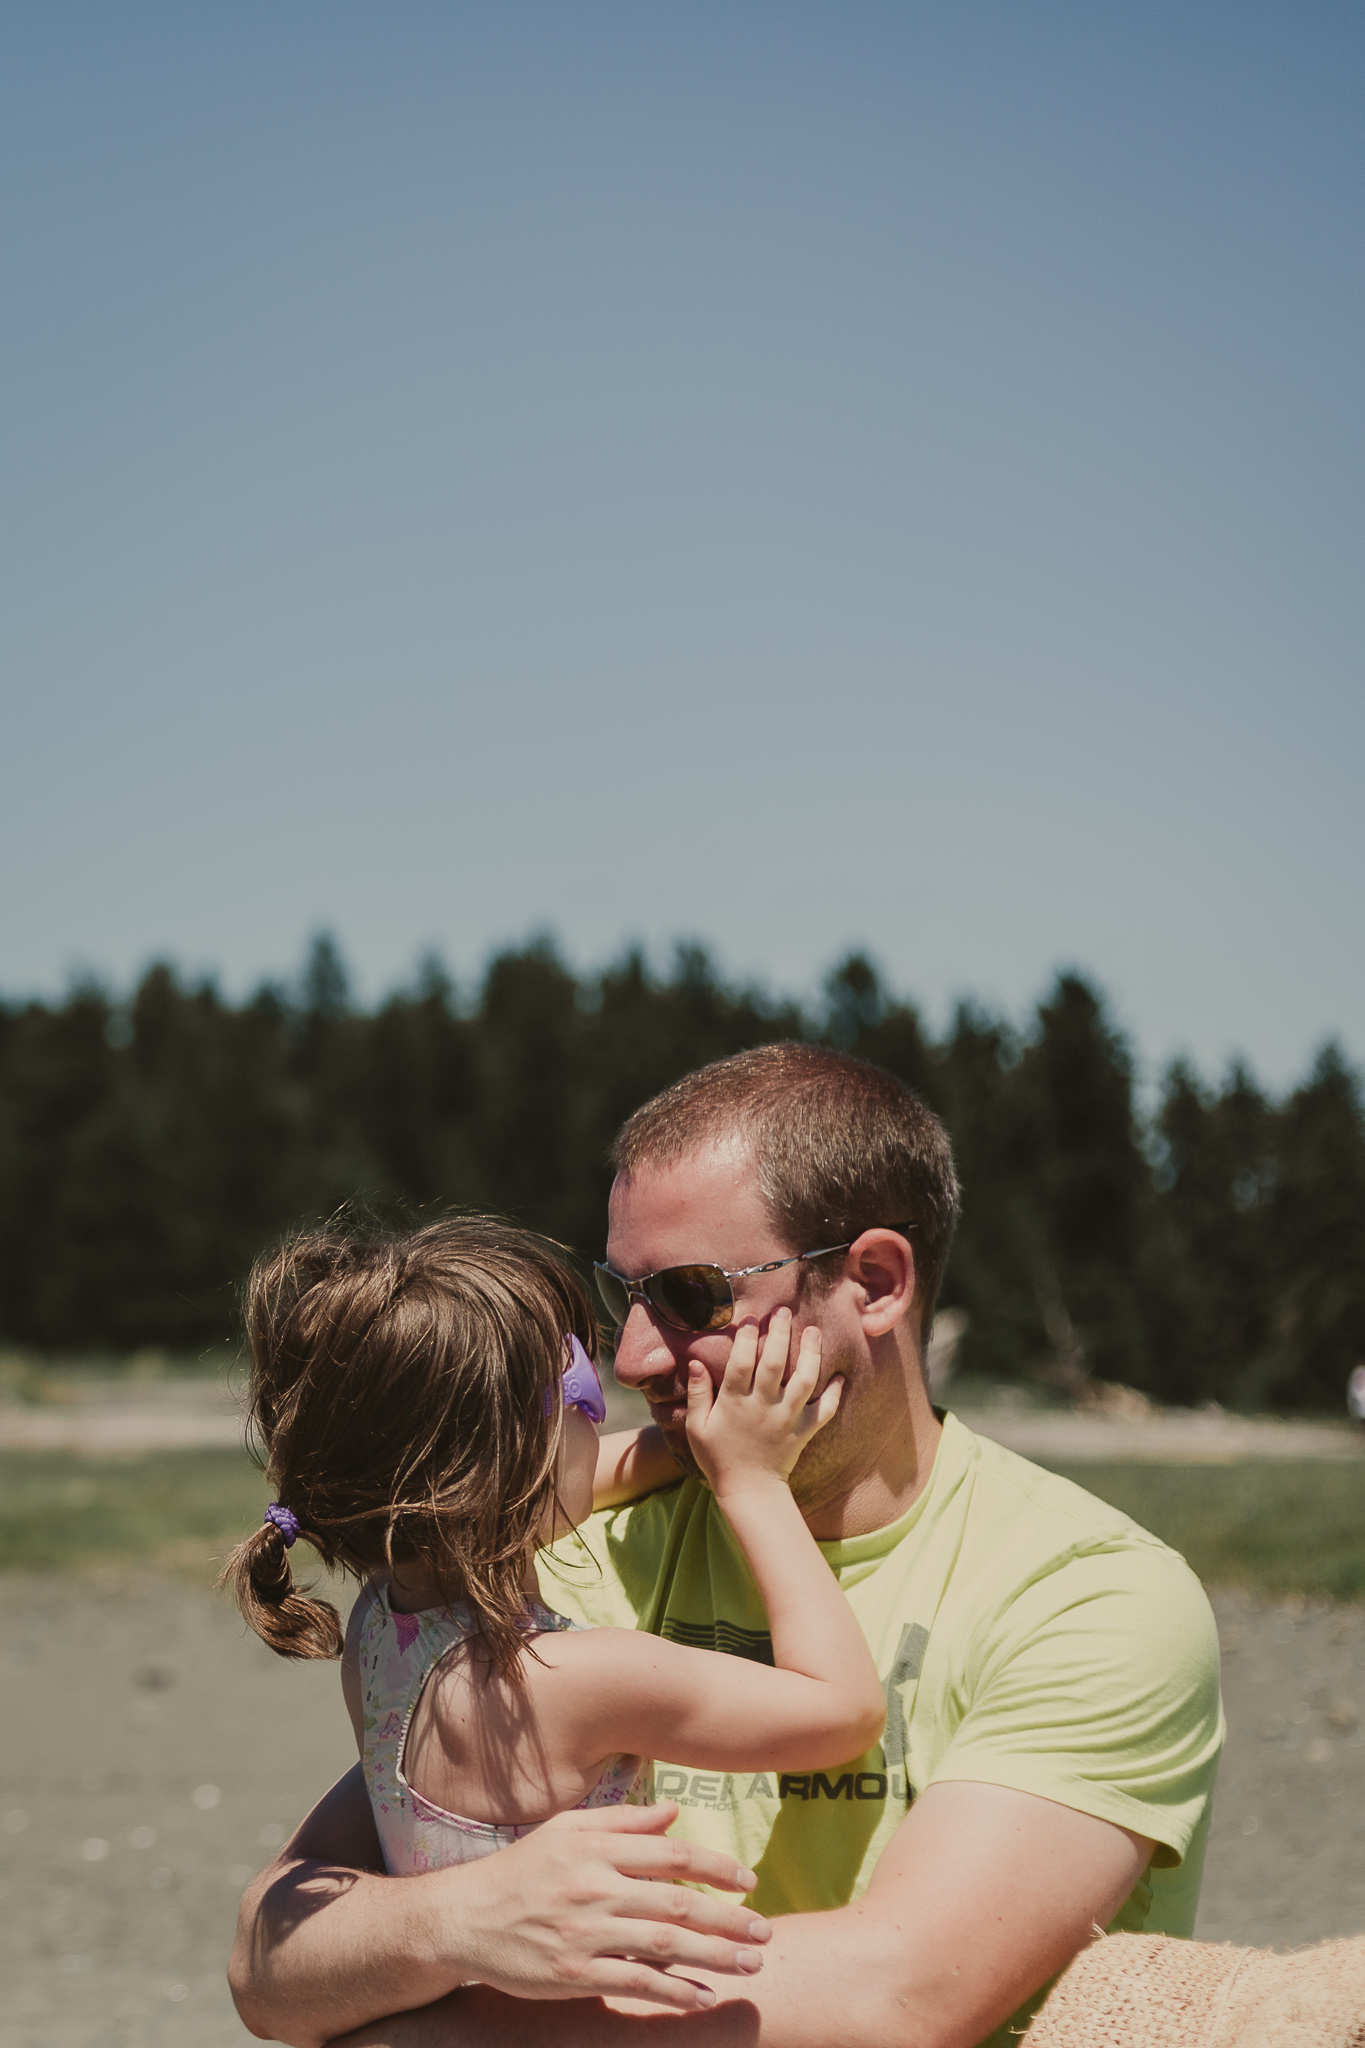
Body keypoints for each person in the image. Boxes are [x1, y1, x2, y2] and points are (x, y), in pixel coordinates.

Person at [230, 1044, 1224, 2048]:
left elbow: (898, 1993)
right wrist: (458, 1921)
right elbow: (271, 1963)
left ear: (873, 1280)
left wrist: (412, 2025)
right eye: (620, 1296)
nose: (632, 1355)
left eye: (692, 1294)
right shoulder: (545, 1565)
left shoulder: (1092, 1594)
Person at [222, 1218, 883, 1971]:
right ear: (511, 1463)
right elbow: (842, 1713)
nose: (610, 1413)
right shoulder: (571, 1679)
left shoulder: (384, 1621)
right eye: (583, 1395)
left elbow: (542, 1487)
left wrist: (700, 1444)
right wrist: (752, 1481)